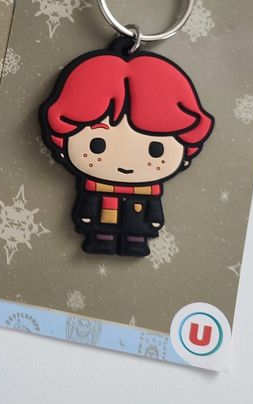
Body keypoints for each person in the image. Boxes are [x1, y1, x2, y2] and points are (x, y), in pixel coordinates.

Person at [39, 45, 214, 256]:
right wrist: (87, 215)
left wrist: (155, 219)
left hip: (138, 216)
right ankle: (101, 239)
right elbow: (90, 202)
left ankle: (135, 241)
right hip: (102, 217)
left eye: (156, 149)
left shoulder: (149, 191)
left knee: (136, 230)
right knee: (102, 231)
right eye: (97, 145)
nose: (126, 163)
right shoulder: (94, 187)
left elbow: (153, 206)